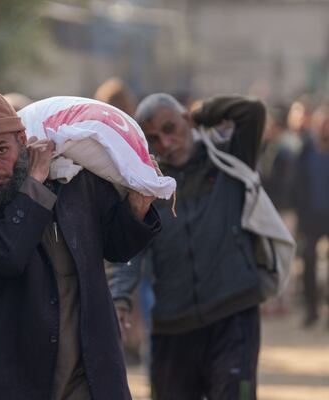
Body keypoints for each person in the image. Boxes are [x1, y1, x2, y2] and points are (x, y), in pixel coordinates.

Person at [0, 88, 161, 400]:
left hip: (88, 372)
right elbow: (6, 255)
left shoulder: (75, 178)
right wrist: (34, 184)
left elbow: (116, 249)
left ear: (22, 139)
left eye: (1, 151)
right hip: (15, 376)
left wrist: (137, 209)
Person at [110, 93, 266, 400]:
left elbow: (252, 111)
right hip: (173, 323)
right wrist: (120, 298)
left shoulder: (229, 160)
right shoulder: (146, 184)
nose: (166, 142)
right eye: (154, 137)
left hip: (233, 314)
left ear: (185, 120)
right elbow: (130, 251)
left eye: (171, 128)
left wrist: (204, 112)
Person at [291, 104, 329, 327]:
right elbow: (298, 185)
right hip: (311, 217)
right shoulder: (307, 151)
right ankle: (312, 309)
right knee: (309, 261)